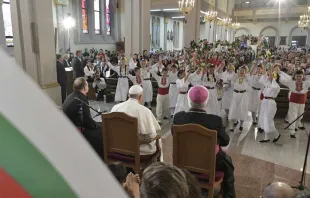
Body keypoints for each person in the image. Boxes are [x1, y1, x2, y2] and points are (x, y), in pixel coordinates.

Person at [173, 85, 235, 198]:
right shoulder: (215, 121)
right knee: (227, 160)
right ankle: (229, 195)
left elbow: (174, 135)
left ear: (188, 100)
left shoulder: (179, 118)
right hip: (208, 166)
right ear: (206, 102)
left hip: (184, 164)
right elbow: (225, 141)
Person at [111, 85, 161, 158]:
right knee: (158, 140)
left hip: (117, 148)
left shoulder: (115, 107)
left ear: (128, 95)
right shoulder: (145, 111)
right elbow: (151, 134)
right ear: (140, 97)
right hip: (138, 152)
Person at [62, 77, 103, 157]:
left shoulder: (70, 96)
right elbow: (88, 122)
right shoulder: (81, 99)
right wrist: (98, 125)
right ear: (84, 87)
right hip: (78, 129)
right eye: (87, 85)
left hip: (69, 125)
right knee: (101, 131)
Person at [279, 69, 310, 138]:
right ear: (294, 76)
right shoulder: (291, 82)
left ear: (303, 76)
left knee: (300, 115)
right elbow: (284, 79)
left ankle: (296, 126)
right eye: (297, 76)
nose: (298, 78)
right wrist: (280, 72)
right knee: (293, 115)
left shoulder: (306, 83)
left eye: (300, 76)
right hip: (293, 101)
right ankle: (292, 131)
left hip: (302, 102)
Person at [258, 64, 281, 143]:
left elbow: (271, 78)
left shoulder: (276, 86)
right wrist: (265, 67)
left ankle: (277, 134)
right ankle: (266, 137)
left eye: (272, 75)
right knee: (264, 118)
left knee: (268, 120)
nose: (269, 76)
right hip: (265, 101)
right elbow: (264, 77)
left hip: (271, 103)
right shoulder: (268, 84)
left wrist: (271, 68)